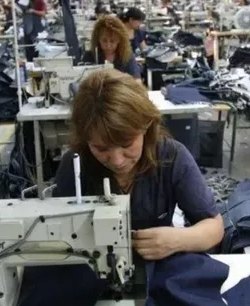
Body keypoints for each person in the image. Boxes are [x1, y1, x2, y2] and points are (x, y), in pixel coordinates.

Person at [52, 69, 223, 271]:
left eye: (127, 144)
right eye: (101, 148)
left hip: (157, 270)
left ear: (146, 127)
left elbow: (214, 226)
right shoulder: (74, 165)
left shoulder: (171, 157)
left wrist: (177, 240)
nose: (117, 161)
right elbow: (55, 236)